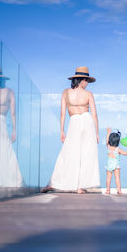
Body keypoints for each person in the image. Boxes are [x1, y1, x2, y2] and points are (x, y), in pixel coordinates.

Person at [41, 66, 100, 194]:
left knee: (68, 152)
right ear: (83, 79)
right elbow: (94, 115)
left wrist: (61, 130)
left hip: (74, 121)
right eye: (87, 81)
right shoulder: (88, 94)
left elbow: (62, 113)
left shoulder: (66, 92)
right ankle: (80, 186)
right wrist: (97, 133)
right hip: (87, 121)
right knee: (86, 154)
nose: (87, 84)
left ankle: (54, 183)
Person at [105, 128, 127, 195]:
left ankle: (108, 190)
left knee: (108, 178)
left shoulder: (108, 147)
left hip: (109, 165)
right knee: (117, 178)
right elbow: (126, 153)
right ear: (118, 142)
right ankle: (119, 190)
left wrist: (108, 132)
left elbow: (107, 141)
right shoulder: (118, 149)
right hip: (116, 165)